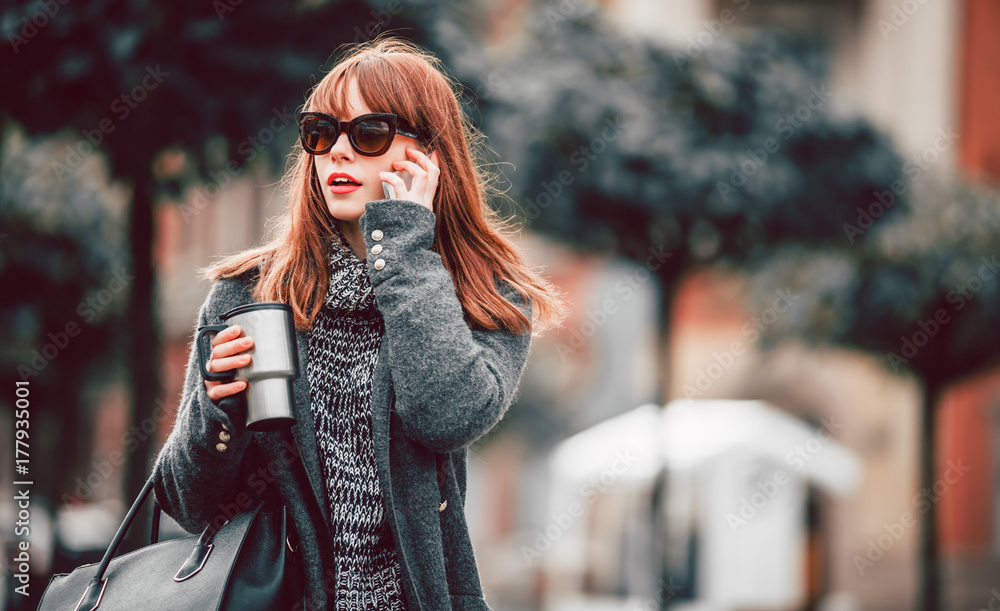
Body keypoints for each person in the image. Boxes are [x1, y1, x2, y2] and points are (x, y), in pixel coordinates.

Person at [152, 35, 567, 610]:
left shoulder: (486, 296)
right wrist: (214, 405)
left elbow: (444, 414)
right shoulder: (250, 292)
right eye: (321, 133)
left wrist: (403, 244)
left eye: (368, 134)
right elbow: (186, 502)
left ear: (428, 158)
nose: (337, 153)